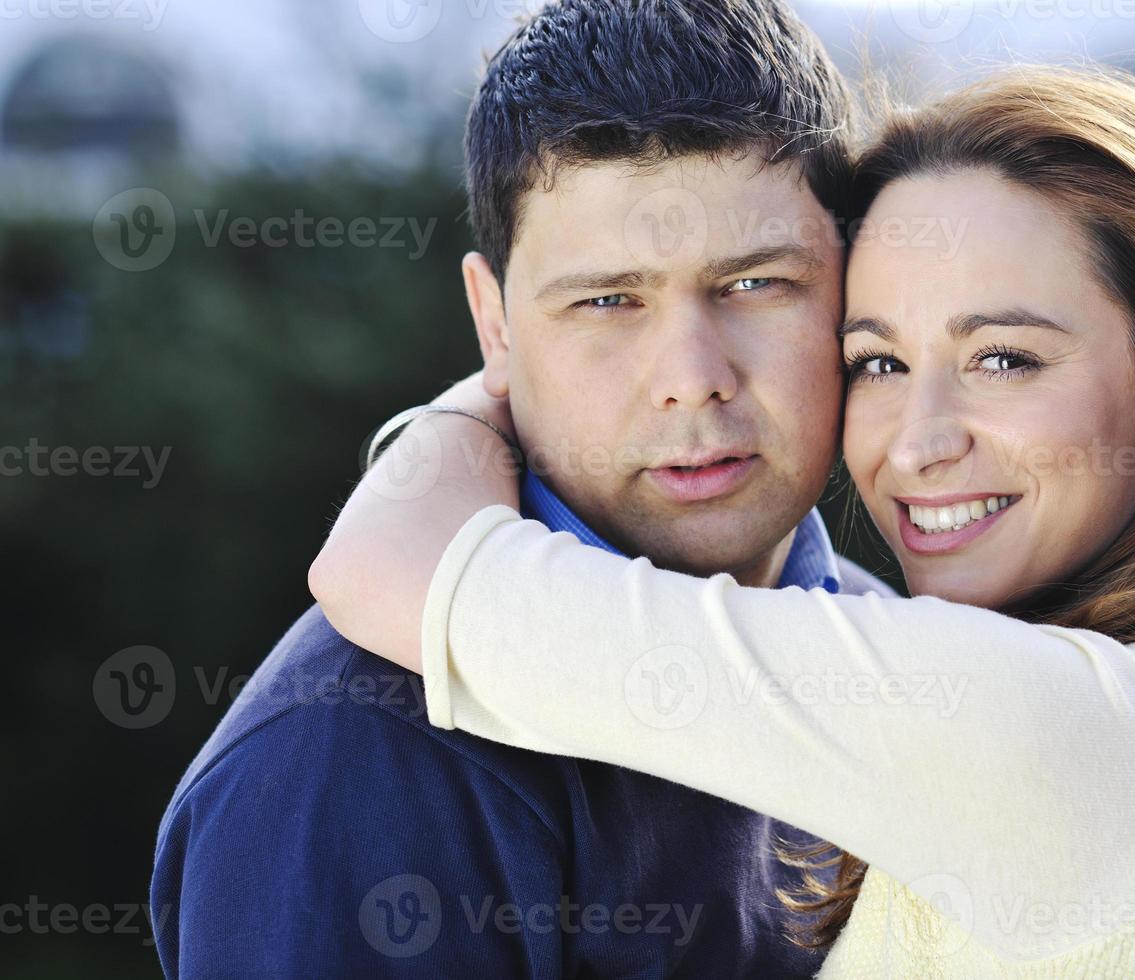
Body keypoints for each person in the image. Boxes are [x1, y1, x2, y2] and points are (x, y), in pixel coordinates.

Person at [310, 67, 1135, 977]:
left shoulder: (1056, 725)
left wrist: (490, 382)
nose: (914, 443)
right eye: (877, 361)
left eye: (1005, 357)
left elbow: (389, 564)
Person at [150, 0, 893, 974]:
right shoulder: (353, 757)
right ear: (494, 326)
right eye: (607, 301)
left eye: (755, 284)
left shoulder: (887, 653)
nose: (691, 372)